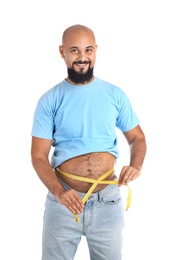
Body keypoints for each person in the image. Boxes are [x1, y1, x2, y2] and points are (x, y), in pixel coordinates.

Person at [31, 24, 146, 260]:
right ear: (62, 52)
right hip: (63, 203)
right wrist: (59, 193)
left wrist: (135, 165)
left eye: (88, 50)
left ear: (96, 51)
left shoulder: (115, 95)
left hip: (108, 202)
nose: (82, 58)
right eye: (74, 51)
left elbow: (137, 138)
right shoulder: (49, 100)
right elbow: (38, 156)